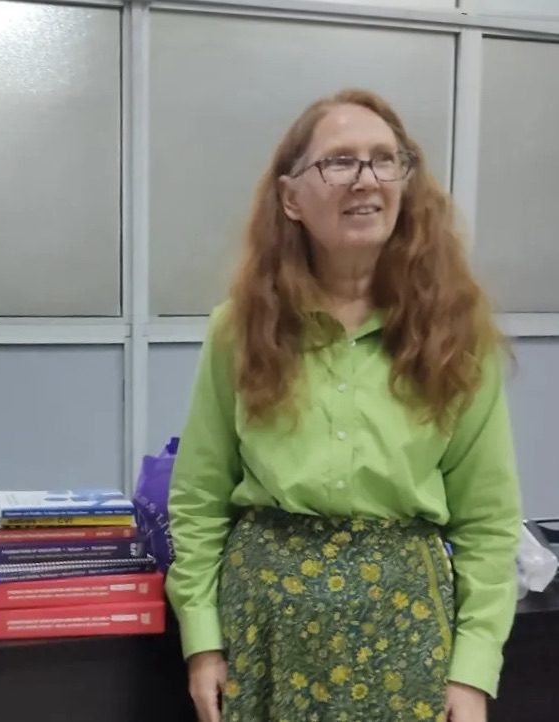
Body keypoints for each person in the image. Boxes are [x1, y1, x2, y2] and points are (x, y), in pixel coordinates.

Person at [165, 88, 521, 722]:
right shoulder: (238, 330)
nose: (366, 179)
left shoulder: (456, 337)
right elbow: (197, 497)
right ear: (290, 198)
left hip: (406, 635)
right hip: (264, 634)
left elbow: (488, 522)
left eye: (386, 160)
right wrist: (202, 640)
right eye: (340, 161)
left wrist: (472, 672)